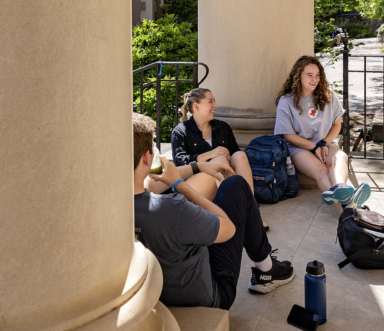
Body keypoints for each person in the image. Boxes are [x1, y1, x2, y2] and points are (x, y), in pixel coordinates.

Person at [133, 113, 294, 310]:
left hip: (160, 293)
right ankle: (266, 269)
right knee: (236, 185)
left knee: (228, 189)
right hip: (211, 298)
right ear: (148, 157)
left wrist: (199, 166)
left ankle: (266, 265)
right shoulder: (173, 208)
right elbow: (228, 229)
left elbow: (149, 184)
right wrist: (179, 185)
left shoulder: (112, 208)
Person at [274, 55, 370, 207]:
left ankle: (340, 188)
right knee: (322, 171)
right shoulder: (287, 101)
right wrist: (315, 147)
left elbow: (337, 124)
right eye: (309, 75)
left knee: (340, 157)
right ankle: (350, 206)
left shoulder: (328, 95)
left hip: (323, 143)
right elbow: (288, 135)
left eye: (318, 75)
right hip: (298, 148)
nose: (315, 79)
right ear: (298, 76)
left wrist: (324, 143)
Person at [171, 88, 269, 229]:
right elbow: (180, 163)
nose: (215, 106)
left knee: (240, 156)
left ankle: (251, 213)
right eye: (210, 102)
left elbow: (235, 156)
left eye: (214, 101)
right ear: (196, 106)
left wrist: (223, 159)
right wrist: (210, 155)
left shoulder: (223, 128)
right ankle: (241, 213)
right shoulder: (181, 131)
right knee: (219, 160)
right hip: (197, 187)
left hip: (223, 181)